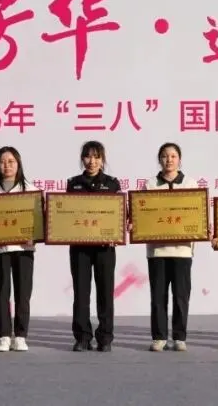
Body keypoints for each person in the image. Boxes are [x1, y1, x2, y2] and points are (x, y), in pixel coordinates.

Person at [67, 140, 122, 352]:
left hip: (105, 247)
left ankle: (105, 337)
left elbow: (119, 215)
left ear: (102, 159)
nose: (92, 161)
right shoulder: (73, 184)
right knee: (81, 293)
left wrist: (117, 231)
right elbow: (65, 216)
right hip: (79, 247)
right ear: (82, 159)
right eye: (88, 156)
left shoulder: (112, 184)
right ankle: (82, 337)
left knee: (105, 293)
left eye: (97, 157)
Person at [141, 143, 196, 352]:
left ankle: (179, 337)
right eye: (165, 156)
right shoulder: (150, 185)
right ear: (159, 159)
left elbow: (195, 214)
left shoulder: (190, 184)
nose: (169, 160)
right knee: (158, 296)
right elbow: (143, 215)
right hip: (157, 251)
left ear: (179, 159)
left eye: (173, 156)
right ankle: (159, 337)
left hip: (182, 250)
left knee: (181, 296)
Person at [0, 146, 35, 353]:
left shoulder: (30, 189)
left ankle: (20, 336)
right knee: (2, 292)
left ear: (18, 163)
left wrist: (35, 234)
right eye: (2, 162)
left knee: (23, 293)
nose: (7, 166)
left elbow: (38, 220)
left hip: (23, 248)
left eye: (11, 161)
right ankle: (4, 336)